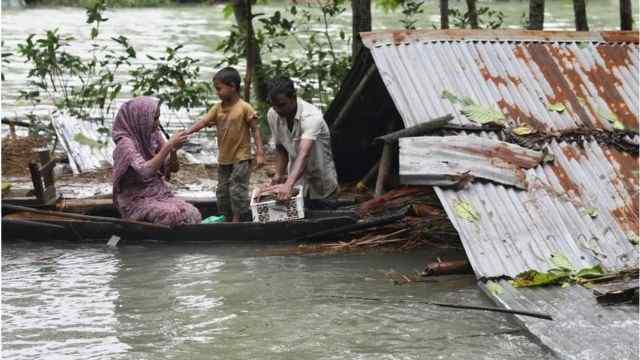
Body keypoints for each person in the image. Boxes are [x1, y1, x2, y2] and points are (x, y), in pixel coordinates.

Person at [186, 67, 265, 222]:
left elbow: (255, 130)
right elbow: (203, 122)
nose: (217, 92)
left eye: (219, 89)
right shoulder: (217, 108)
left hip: (241, 156)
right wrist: (188, 132)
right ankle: (226, 217)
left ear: (232, 87)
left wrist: (260, 153)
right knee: (222, 190)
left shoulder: (244, 107)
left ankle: (236, 219)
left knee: (237, 188)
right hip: (224, 157)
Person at [112, 96, 202, 227]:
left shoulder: (153, 135)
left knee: (192, 213)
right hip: (135, 199)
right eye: (154, 119)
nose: (157, 123)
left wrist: (173, 151)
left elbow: (172, 169)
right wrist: (168, 145)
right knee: (171, 215)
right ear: (140, 119)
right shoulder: (125, 144)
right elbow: (145, 172)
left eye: (158, 118)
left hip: (158, 193)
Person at [260, 76, 338, 204]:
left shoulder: (311, 116)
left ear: (294, 97)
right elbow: (281, 147)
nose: (277, 110)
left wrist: (288, 184)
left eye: (281, 105)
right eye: (273, 105)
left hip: (321, 181)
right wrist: (279, 174)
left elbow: (303, 154)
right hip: (297, 183)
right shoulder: (272, 114)